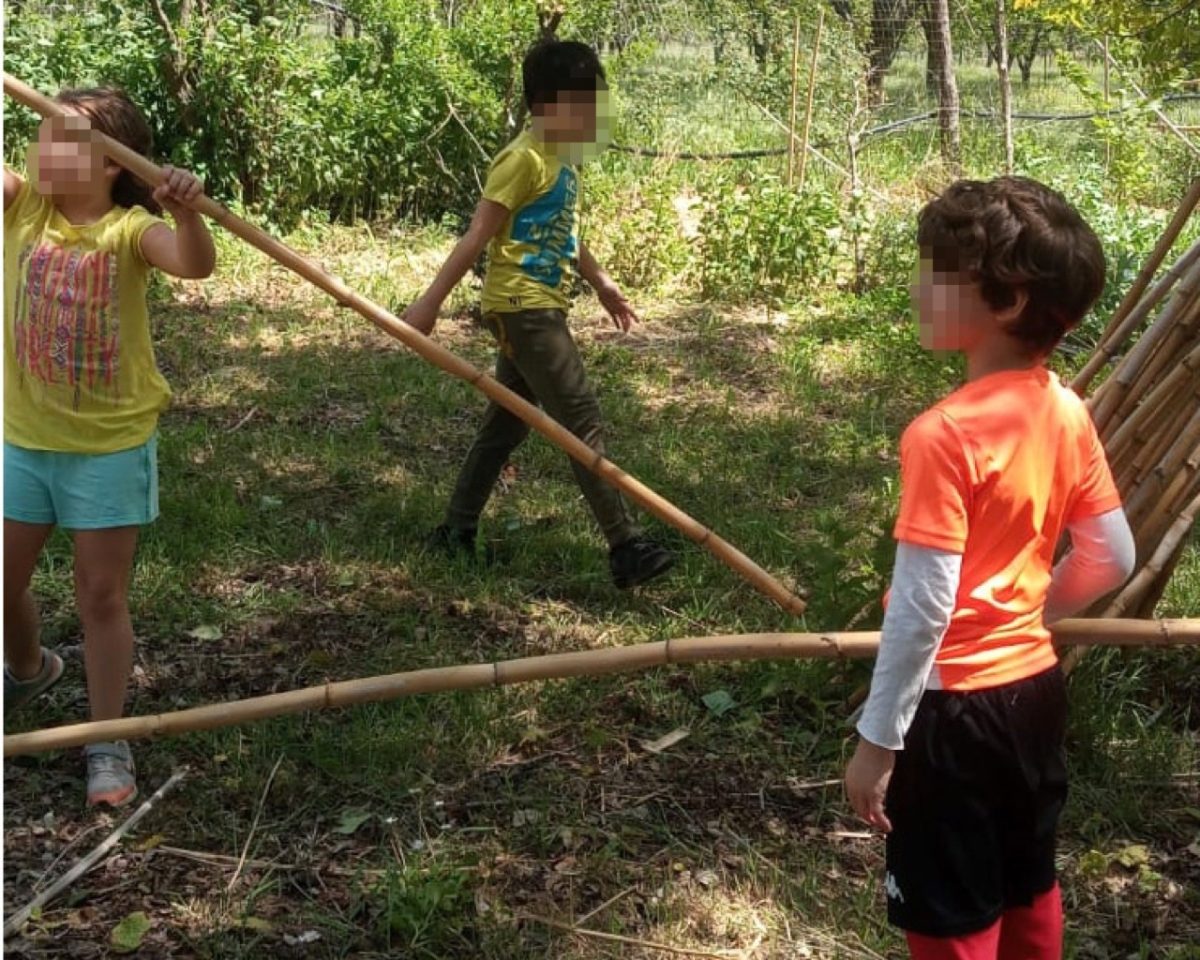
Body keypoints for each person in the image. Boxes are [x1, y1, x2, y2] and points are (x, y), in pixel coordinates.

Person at [843, 177, 1136, 960]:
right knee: (1025, 879)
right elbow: (1114, 554)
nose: (916, 284)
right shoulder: (1066, 409)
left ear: (1005, 301)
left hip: (952, 716)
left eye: (935, 271)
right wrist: (1029, 619)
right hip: (1034, 693)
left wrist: (879, 739)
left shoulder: (942, 434)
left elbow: (922, 607)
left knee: (950, 911)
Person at [4, 87, 216, 806]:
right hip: (23, 440)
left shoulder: (128, 230)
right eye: (39, 135)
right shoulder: (22, 208)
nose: (39, 151)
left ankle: (106, 738)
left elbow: (192, 264)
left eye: (60, 141)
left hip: (107, 449)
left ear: (109, 166)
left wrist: (186, 210)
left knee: (100, 595)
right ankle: (30, 669)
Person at [402, 39, 674, 589]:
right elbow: (476, 236)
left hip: (541, 305)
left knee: (504, 426)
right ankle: (626, 547)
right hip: (523, 309)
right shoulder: (521, 159)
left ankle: (455, 531)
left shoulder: (562, 162)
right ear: (547, 105)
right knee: (581, 420)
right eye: (584, 106)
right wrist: (427, 305)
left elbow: (566, 234)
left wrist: (601, 284)